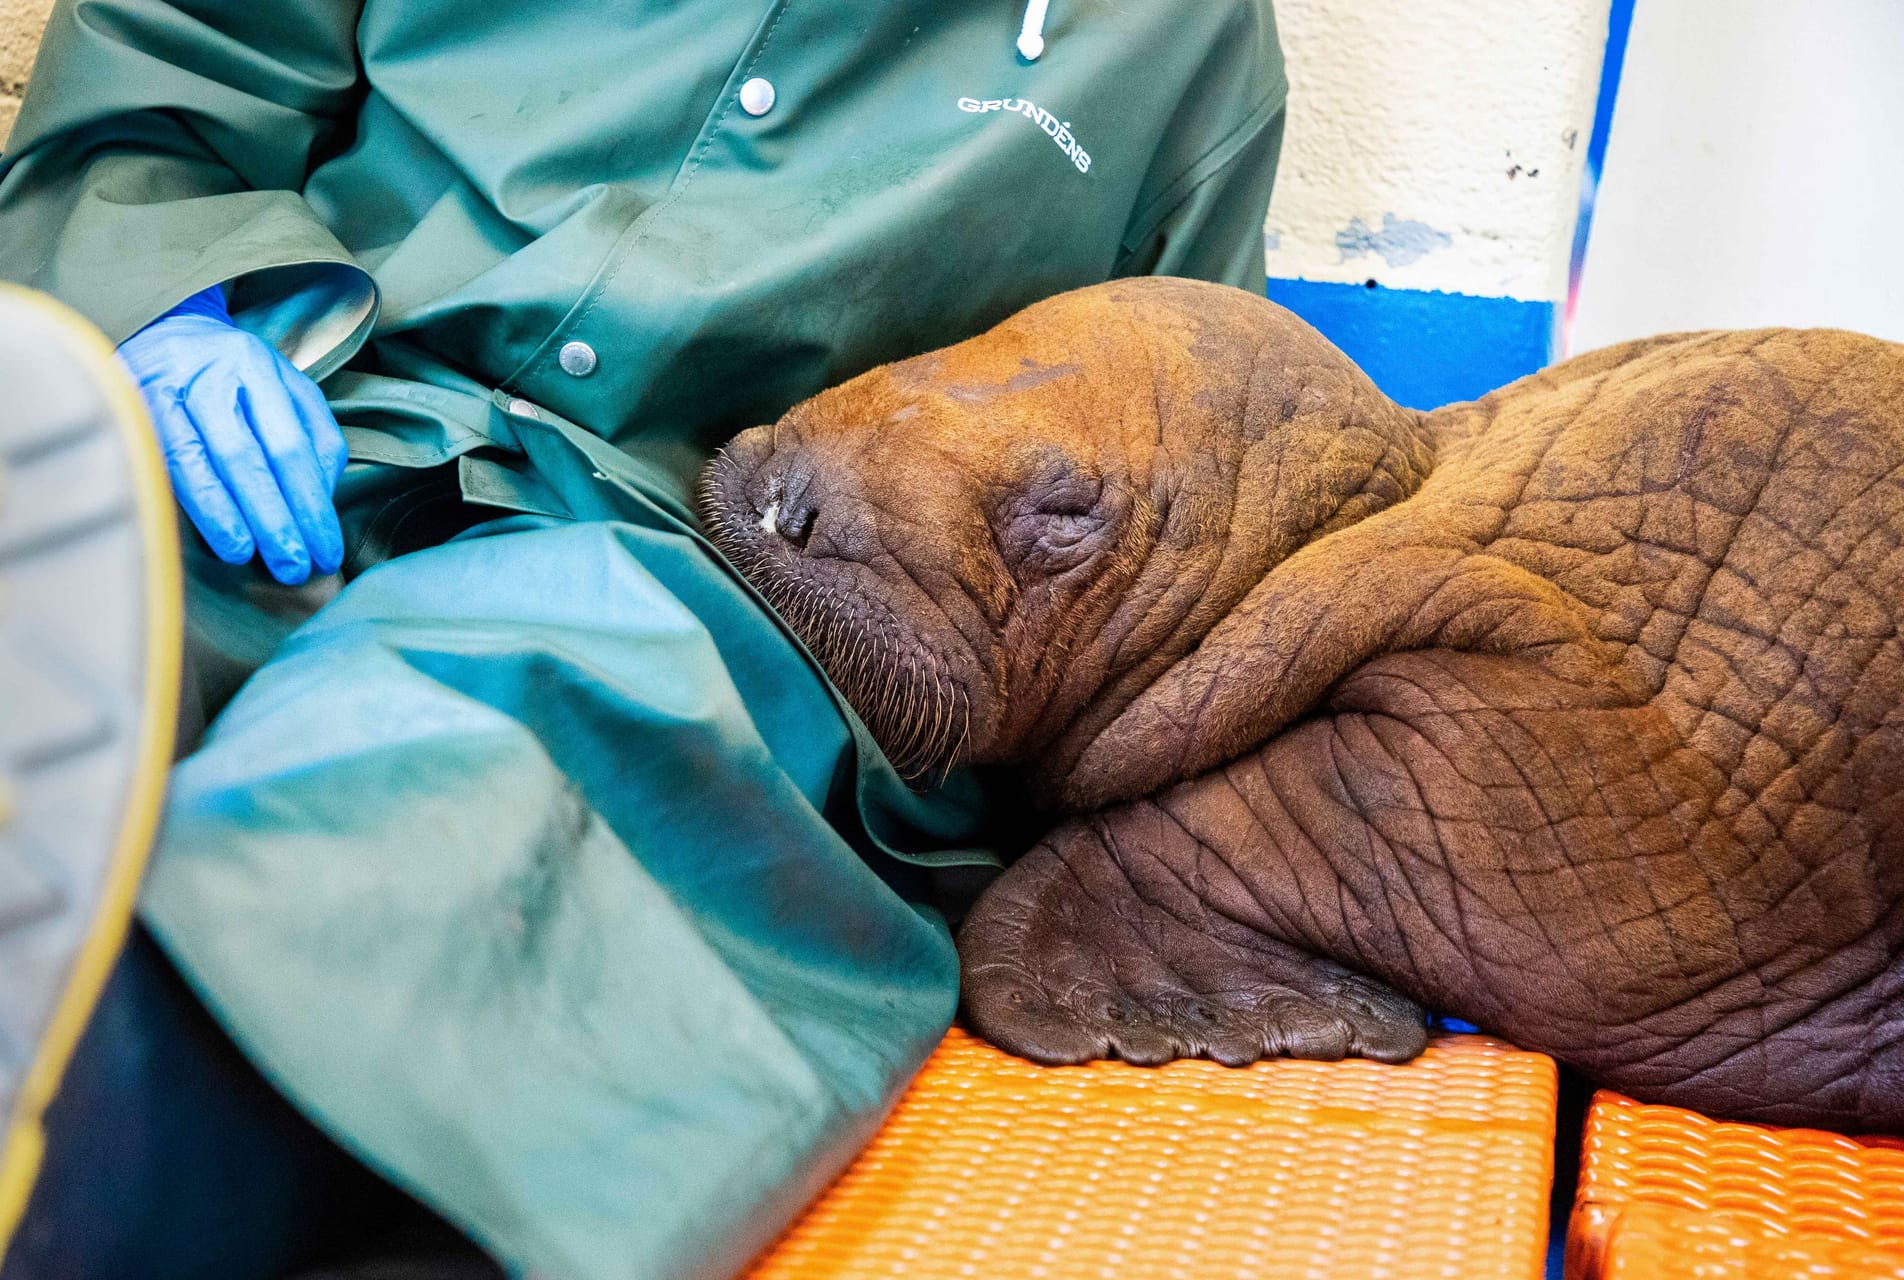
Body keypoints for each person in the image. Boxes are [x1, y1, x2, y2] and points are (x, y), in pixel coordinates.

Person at [0, 1, 1287, 1275]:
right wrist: (169, 308)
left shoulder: (1176, 43)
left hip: (702, 563)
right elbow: (156, 85)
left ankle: (111, 1113)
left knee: (476, 722)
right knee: (70, 566)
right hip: (303, 414)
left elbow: (1184, 504)